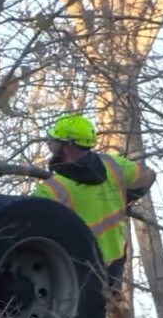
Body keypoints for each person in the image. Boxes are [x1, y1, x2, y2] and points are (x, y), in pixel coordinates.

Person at [31, 113, 155, 297]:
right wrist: (124, 198)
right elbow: (147, 176)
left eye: (55, 140)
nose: (49, 143)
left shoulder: (51, 190)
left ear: (69, 145)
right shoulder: (114, 164)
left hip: (76, 271)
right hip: (114, 262)